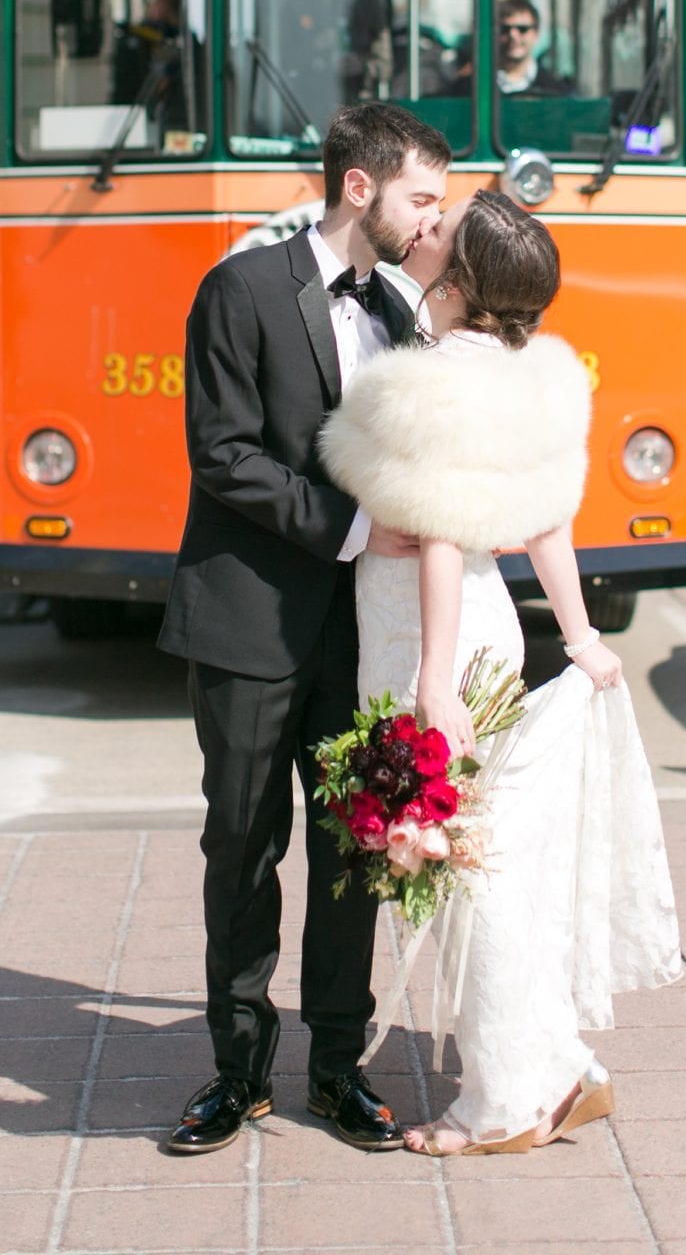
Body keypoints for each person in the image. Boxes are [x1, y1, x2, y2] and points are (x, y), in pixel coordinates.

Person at [319, 190, 681, 1157]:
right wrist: (583, 632)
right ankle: (553, 1062)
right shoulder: (535, 375)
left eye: (444, 230)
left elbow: (438, 530)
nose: (425, 229)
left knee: (465, 878)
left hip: (427, 635)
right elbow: (551, 516)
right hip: (491, 632)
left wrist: (434, 682)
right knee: (489, 867)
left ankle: (508, 1102)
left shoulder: (434, 379)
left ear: (468, 278)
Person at [159, 102, 451, 1156]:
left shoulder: (406, 310)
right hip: (246, 621)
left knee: (350, 853)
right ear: (361, 187)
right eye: (423, 196)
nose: (433, 218)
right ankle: (236, 1075)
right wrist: (356, 528)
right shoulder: (238, 288)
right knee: (241, 844)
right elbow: (222, 454)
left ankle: (337, 1068)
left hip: (360, 636)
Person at [495, 0, 566, 96]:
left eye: (522, 29)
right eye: (505, 29)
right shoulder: (472, 87)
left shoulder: (557, 90)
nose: (513, 36)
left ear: (536, 34)